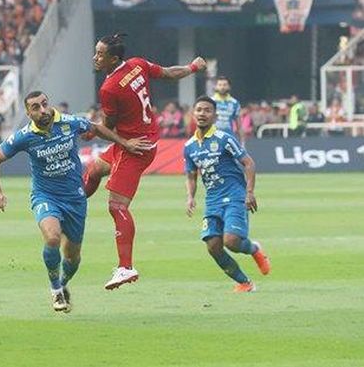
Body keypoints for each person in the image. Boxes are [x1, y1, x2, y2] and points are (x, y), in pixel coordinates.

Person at [0, 91, 141, 312]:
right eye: (36, 108)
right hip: (45, 195)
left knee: (73, 256)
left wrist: (124, 143)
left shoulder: (70, 123)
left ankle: (64, 282)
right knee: (52, 238)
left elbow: (96, 128)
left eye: (44, 104)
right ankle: (55, 290)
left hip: (75, 198)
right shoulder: (24, 136)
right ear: (29, 113)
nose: (42, 110)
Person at [83, 33, 207, 290]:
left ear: (113, 58)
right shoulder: (137, 64)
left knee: (117, 207)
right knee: (94, 170)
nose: (95, 57)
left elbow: (108, 126)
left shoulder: (109, 88)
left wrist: (90, 130)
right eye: (96, 52)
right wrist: (193, 67)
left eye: (100, 54)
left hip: (134, 147)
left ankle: (125, 268)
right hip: (139, 138)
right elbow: (169, 73)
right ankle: (71, 207)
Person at [184, 96, 271, 293]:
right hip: (212, 200)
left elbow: (249, 163)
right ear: (193, 114)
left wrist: (249, 192)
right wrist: (190, 197)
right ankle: (245, 283)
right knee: (213, 246)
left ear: (214, 116)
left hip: (234, 195)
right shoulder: (189, 146)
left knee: (231, 241)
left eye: (207, 110)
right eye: (198, 110)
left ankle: (254, 249)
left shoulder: (224, 138)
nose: (202, 114)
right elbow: (191, 175)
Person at [212, 76, 244, 145]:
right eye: (220, 85)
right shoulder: (210, 102)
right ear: (216, 87)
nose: (222, 87)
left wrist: (242, 143)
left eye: (224, 85)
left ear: (229, 87)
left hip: (228, 139)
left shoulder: (234, 103)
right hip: (212, 139)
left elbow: (239, 126)